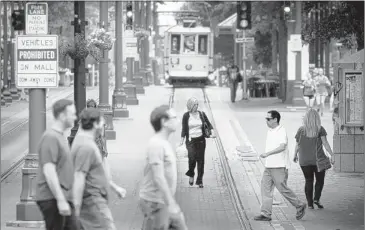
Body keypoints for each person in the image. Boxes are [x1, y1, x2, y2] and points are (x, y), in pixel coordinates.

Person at [72, 108, 126, 230]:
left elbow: (94, 172)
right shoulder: (86, 147)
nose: (104, 125)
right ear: (95, 124)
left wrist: (114, 187)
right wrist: (75, 209)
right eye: (102, 122)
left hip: (93, 201)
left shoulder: (85, 141)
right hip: (93, 201)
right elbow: (79, 177)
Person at [139, 105, 188, 230]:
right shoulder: (156, 144)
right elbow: (158, 177)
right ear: (164, 122)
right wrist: (171, 203)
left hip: (163, 201)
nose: (178, 120)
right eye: (174, 117)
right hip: (155, 202)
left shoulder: (163, 143)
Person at [254, 110, 306, 222]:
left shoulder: (281, 131)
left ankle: (299, 205)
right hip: (269, 166)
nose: (266, 121)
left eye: (268, 119)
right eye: (266, 119)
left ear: (275, 119)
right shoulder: (270, 131)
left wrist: (267, 153)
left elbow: (282, 147)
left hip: (279, 166)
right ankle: (266, 213)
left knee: (283, 189)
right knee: (265, 189)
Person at [35, 99, 78, 230]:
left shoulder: (60, 136)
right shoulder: (51, 137)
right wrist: (60, 200)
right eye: (72, 114)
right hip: (52, 198)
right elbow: (49, 171)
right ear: (62, 115)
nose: (75, 118)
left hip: (61, 197)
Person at [293, 108, 335, 209]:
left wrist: (295, 155)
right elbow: (325, 143)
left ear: (306, 118)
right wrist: (332, 154)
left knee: (308, 180)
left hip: (304, 160)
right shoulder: (320, 129)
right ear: (317, 118)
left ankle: (310, 204)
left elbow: (298, 144)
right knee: (320, 181)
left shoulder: (301, 130)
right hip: (318, 160)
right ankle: (316, 198)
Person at [180, 97, 215, 188]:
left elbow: (208, 124)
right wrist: (182, 140)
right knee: (192, 159)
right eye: (195, 105)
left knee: (201, 161)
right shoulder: (186, 116)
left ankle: (200, 180)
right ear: (190, 106)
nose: (197, 106)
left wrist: (212, 133)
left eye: (197, 105)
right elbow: (184, 128)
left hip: (201, 140)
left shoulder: (201, 114)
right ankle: (191, 174)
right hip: (191, 141)